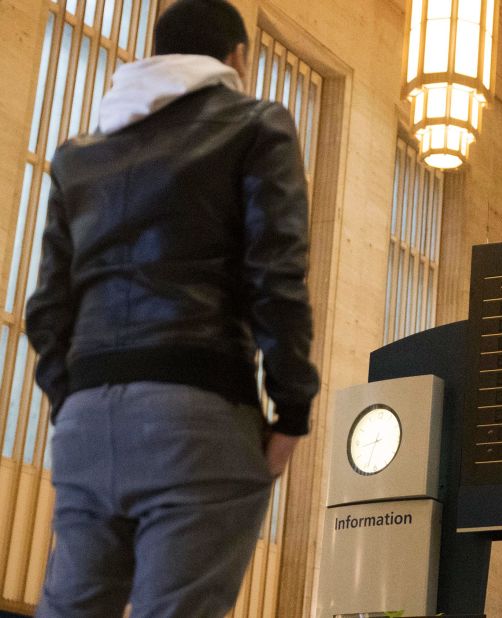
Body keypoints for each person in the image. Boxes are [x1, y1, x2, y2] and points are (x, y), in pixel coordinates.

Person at [26, 0, 318, 615]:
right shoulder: (256, 125)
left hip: (85, 419)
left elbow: (48, 308)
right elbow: (277, 275)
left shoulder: (79, 155)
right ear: (237, 57)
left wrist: (73, 401)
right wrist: (292, 411)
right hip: (197, 413)